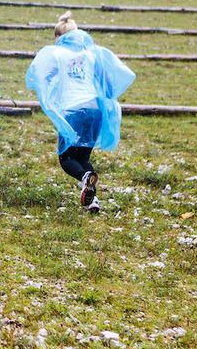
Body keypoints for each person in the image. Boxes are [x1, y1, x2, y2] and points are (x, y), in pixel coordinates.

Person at [25, 13, 135, 213]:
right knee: (83, 158)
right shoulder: (92, 55)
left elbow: (43, 77)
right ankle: (93, 200)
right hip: (95, 111)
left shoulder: (57, 54)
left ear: (59, 37)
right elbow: (108, 84)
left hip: (73, 110)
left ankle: (85, 179)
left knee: (66, 159)